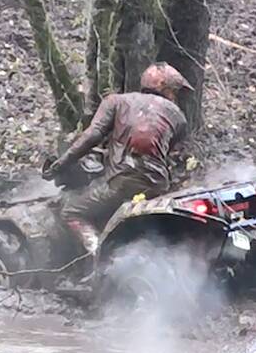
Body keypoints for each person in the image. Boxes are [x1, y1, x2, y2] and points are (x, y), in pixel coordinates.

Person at [44, 62, 192, 259]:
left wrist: (60, 164)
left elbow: (93, 135)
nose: (174, 97)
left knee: (72, 210)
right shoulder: (178, 117)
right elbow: (162, 152)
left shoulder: (116, 101)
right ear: (163, 88)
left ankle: (100, 258)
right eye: (173, 91)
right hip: (158, 185)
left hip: (122, 181)